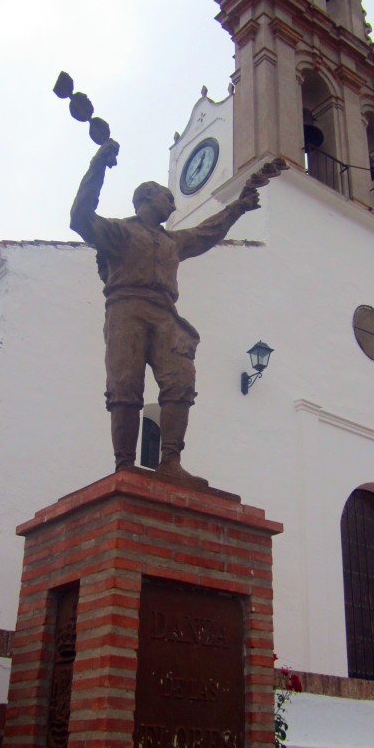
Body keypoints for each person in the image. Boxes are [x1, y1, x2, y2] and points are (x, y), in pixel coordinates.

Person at [71, 138, 269, 488]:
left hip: (166, 315)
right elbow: (81, 218)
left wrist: (238, 207)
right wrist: (99, 164)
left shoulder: (171, 242)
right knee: (125, 385)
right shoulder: (120, 232)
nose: (173, 205)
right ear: (146, 197)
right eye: (167, 198)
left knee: (181, 380)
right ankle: (124, 464)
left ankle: (170, 462)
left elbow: (207, 233)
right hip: (126, 308)